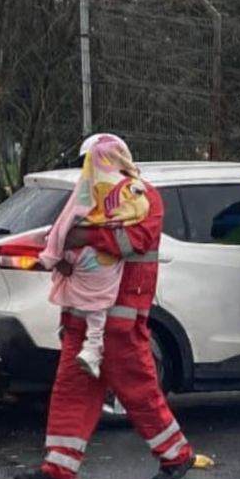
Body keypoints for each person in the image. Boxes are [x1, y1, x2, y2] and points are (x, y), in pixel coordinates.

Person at [15, 133, 196, 479]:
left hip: (121, 310)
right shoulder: (87, 196)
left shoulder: (141, 195)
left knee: (136, 385)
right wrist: (67, 252)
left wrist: (85, 238)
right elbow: (63, 236)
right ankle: (59, 468)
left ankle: (176, 454)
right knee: (72, 386)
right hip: (83, 310)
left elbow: (134, 240)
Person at [37, 134, 147, 377]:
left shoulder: (86, 188)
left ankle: (90, 347)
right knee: (98, 307)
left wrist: (61, 251)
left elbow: (67, 219)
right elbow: (138, 214)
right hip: (104, 268)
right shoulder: (131, 189)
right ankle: (93, 348)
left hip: (81, 264)